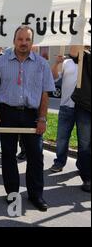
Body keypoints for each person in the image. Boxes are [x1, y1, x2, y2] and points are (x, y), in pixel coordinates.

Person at [0, 26, 55, 212]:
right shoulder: (1, 62)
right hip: (6, 113)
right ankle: (12, 193)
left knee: (35, 156)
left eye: (27, 39)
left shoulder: (42, 64)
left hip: (31, 115)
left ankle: (36, 195)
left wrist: (42, 118)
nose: (23, 42)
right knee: (8, 155)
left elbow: (45, 94)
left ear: (32, 42)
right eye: (20, 39)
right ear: (14, 40)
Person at [49, 53, 78, 173]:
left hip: (84, 108)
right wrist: (57, 63)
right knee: (62, 138)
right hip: (66, 106)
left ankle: (84, 166)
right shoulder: (67, 62)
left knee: (85, 140)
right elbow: (53, 77)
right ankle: (59, 162)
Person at [69, 46, 91, 193]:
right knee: (84, 144)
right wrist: (79, 31)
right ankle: (87, 178)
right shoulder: (86, 56)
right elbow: (73, 52)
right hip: (85, 106)